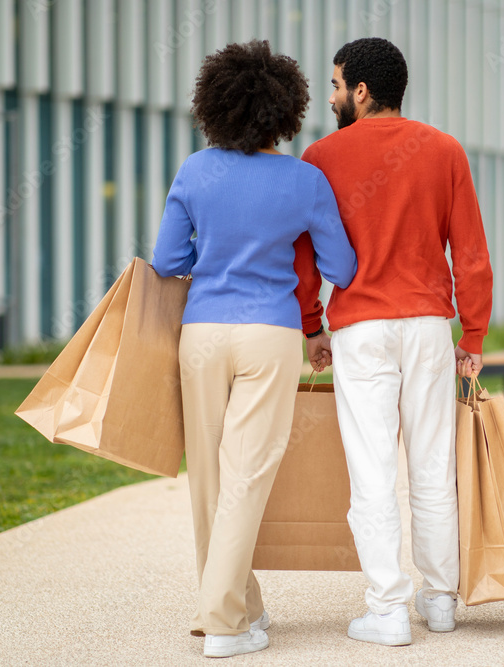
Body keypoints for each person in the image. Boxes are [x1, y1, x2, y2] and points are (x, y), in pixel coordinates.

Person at [152, 40, 357, 659]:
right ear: (285, 109)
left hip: (202, 332)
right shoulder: (304, 180)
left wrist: (209, 257)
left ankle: (244, 609)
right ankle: (222, 622)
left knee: (210, 479)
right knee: (248, 475)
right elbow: (341, 266)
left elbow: (167, 260)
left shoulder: (193, 170)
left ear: (216, 106)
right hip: (269, 335)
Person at [294, 37, 493, 646]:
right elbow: (472, 252)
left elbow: (304, 255)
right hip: (430, 327)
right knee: (433, 467)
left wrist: (311, 325)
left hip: (360, 329)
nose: (330, 97)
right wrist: (475, 330)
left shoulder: (320, 157)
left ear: (360, 90)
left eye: (334, 86)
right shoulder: (445, 149)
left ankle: (386, 610)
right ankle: (439, 600)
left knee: (372, 469)